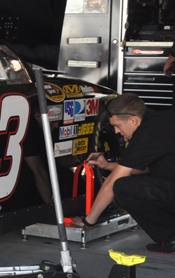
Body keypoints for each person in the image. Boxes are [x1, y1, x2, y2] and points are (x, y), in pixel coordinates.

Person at [73, 93, 175, 254]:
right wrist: (108, 165)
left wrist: (89, 221)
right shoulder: (163, 120)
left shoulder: (147, 134)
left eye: (118, 126)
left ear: (133, 120)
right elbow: (147, 168)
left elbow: (112, 183)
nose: (116, 132)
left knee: (122, 187)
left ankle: (170, 236)